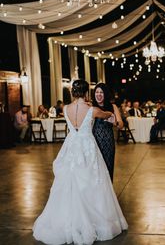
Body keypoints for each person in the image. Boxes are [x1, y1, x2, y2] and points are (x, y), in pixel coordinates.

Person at [33, 79, 128, 244]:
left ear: (72, 93)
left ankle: (69, 218)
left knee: (70, 180)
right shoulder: (92, 109)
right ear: (86, 93)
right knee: (92, 181)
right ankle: (94, 218)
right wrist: (110, 115)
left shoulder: (65, 108)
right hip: (87, 146)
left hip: (71, 145)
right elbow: (108, 115)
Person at [92, 83, 123, 182]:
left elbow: (121, 125)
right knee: (95, 168)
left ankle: (108, 194)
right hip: (94, 141)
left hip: (108, 141)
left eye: (101, 92)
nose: (99, 94)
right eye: (97, 92)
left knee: (108, 166)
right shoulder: (91, 107)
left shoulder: (112, 106)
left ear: (105, 94)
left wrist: (115, 122)